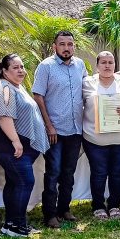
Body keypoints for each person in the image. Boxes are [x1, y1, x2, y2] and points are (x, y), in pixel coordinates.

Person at [0, 54, 50, 237]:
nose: (21, 70)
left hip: (17, 146)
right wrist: (16, 141)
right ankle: (18, 225)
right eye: (15, 67)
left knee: (14, 183)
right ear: (4, 71)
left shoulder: (16, 86)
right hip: (10, 147)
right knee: (25, 181)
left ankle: (11, 225)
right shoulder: (4, 89)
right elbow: (3, 116)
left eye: (22, 67)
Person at [32, 31, 88, 228]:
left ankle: (64, 208)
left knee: (69, 172)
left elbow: (88, 89)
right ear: (55, 46)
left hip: (75, 130)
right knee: (53, 172)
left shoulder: (80, 65)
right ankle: (50, 214)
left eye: (70, 44)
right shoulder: (46, 66)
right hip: (54, 131)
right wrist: (49, 125)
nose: (66, 48)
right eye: (62, 44)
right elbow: (38, 96)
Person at [82, 52, 120, 220]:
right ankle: (98, 206)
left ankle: (114, 205)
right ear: (97, 65)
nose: (107, 66)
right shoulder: (87, 83)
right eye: (103, 62)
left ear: (115, 65)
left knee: (117, 172)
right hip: (94, 138)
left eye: (111, 62)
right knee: (98, 173)